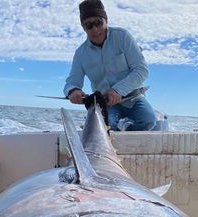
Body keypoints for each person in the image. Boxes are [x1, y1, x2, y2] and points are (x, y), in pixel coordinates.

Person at [63, 0, 156, 131]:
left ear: (106, 21)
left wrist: (118, 90)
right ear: (83, 28)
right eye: (88, 25)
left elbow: (142, 70)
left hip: (133, 97)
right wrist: (73, 91)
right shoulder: (80, 53)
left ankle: (126, 130)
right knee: (109, 126)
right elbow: (71, 82)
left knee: (148, 121)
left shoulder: (123, 36)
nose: (95, 29)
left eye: (98, 22)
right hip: (107, 104)